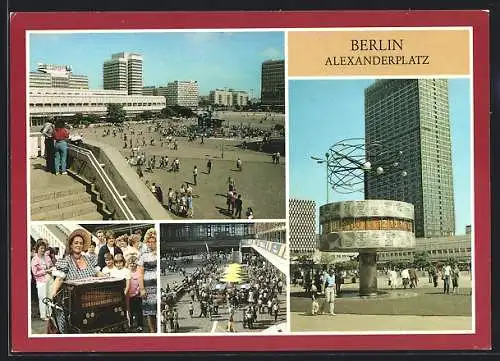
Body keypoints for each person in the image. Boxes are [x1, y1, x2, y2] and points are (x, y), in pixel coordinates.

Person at [50, 229, 105, 333]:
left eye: (81, 243)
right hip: (74, 304)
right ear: (71, 245)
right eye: (76, 243)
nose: (78, 245)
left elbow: (98, 273)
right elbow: (59, 278)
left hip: (91, 301)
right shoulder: (66, 261)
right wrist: (53, 294)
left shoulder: (89, 259)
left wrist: (107, 276)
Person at [138, 228, 158, 333]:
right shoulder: (143, 255)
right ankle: (152, 331)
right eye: (148, 242)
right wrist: (142, 289)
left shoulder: (159, 253)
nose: (151, 244)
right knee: (150, 311)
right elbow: (140, 273)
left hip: (158, 285)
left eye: (153, 241)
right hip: (148, 286)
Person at [31, 239, 54, 321]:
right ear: (37, 248)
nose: (43, 250)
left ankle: (50, 313)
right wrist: (45, 271)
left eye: (44, 248)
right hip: (41, 281)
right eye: (41, 248)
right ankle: (43, 315)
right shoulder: (35, 259)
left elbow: (51, 265)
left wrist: (51, 269)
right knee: (42, 298)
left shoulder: (47, 257)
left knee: (50, 296)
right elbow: (35, 272)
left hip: (49, 279)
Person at [127, 256, 143, 331]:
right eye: (131, 264)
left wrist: (137, 292)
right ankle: (130, 324)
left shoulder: (138, 273)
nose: (132, 265)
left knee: (138, 311)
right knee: (130, 311)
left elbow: (140, 284)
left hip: (136, 296)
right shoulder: (127, 272)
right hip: (128, 296)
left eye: (134, 264)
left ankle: (140, 325)